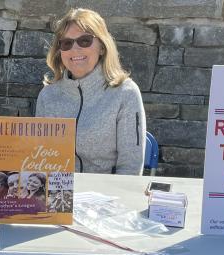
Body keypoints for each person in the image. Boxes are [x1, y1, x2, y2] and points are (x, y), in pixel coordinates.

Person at [35, 8, 146, 175]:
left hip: (107, 197)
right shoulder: (47, 96)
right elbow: (38, 160)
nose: (75, 49)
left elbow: (130, 167)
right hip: (57, 197)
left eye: (84, 41)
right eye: (67, 43)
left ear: (102, 46)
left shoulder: (126, 94)